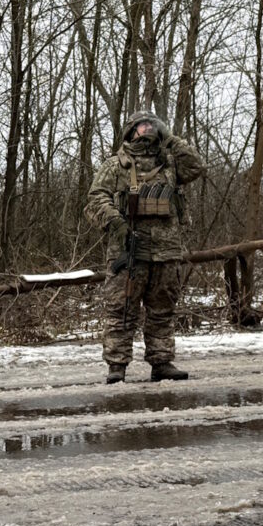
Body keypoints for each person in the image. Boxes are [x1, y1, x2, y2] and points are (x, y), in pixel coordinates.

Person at [86, 112, 204, 384]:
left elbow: (197, 166)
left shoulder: (169, 163)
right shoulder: (116, 165)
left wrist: (170, 139)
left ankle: (161, 362)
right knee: (121, 310)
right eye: (142, 125)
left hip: (166, 251)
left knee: (162, 310)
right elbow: (96, 199)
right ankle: (117, 365)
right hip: (128, 250)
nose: (148, 129)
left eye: (152, 125)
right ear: (131, 131)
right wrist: (116, 223)